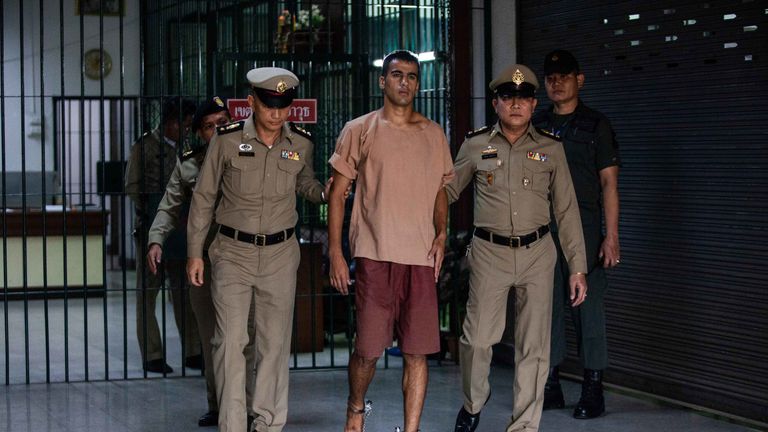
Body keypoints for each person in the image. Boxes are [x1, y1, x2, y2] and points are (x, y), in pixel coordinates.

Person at [186, 67, 331, 432]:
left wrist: (328, 192)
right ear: (252, 102)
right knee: (230, 342)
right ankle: (232, 424)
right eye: (269, 106)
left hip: (281, 254)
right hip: (233, 252)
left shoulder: (300, 143)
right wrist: (194, 253)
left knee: (274, 344)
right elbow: (203, 198)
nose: (277, 114)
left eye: (284, 106)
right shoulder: (226, 140)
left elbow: (306, 185)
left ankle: (266, 424)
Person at [446, 64, 588, 432]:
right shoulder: (476, 145)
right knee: (477, 340)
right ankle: (474, 402)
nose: (516, 105)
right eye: (508, 97)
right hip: (489, 251)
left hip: (538, 253)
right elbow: (445, 192)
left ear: (533, 103)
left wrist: (577, 267)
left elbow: (567, 210)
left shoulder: (550, 148)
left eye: (523, 98)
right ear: (496, 103)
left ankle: (524, 425)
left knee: (533, 347)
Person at [328, 50, 454, 432]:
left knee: (417, 353)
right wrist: (336, 251)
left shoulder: (433, 134)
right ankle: (355, 410)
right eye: (397, 75)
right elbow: (337, 193)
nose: (405, 82)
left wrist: (442, 233)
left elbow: (441, 191)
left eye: (412, 76)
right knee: (367, 350)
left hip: (419, 257)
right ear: (383, 82)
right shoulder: (360, 129)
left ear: (418, 83)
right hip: (374, 254)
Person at [146, 96, 257, 427]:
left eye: (223, 122)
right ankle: (218, 404)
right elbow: (169, 204)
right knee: (212, 336)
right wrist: (156, 239)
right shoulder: (190, 163)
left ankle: (247, 407)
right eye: (209, 126)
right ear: (199, 133)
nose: (218, 129)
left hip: (244, 257)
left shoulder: (251, 153)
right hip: (204, 260)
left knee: (245, 336)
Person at [533, 49, 621, 419]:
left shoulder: (596, 125)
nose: (557, 83)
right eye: (551, 78)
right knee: (545, 307)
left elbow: (609, 185)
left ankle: (593, 388)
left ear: (579, 80)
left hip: (584, 228)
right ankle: (550, 383)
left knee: (589, 310)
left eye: (564, 76)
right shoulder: (536, 124)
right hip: (543, 228)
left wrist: (611, 236)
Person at [125, 97, 201, 374]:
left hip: (183, 230)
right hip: (152, 230)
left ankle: (193, 351)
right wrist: (153, 210)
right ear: (171, 123)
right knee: (148, 292)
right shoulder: (144, 147)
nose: (188, 130)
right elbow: (132, 185)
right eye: (185, 125)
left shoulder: (188, 149)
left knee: (184, 291)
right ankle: (152, 355)